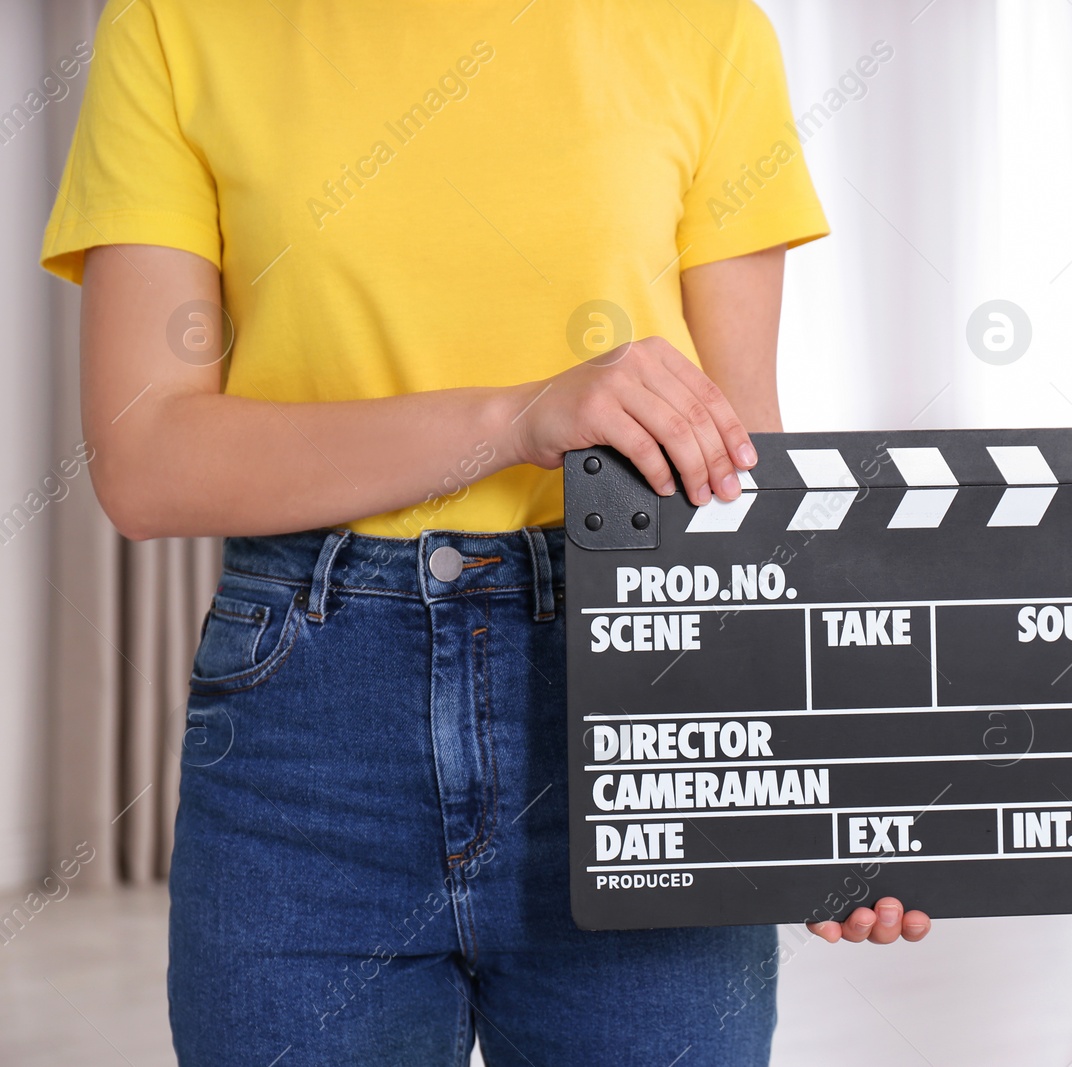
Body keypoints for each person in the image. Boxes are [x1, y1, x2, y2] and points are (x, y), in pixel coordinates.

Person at [42, 2, 929, 1063]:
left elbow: (740, 459)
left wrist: (826, 789)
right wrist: (514, 418)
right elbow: (148, 463)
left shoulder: (705, 26)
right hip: (308, 722)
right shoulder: (176, 22)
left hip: (642, 693)